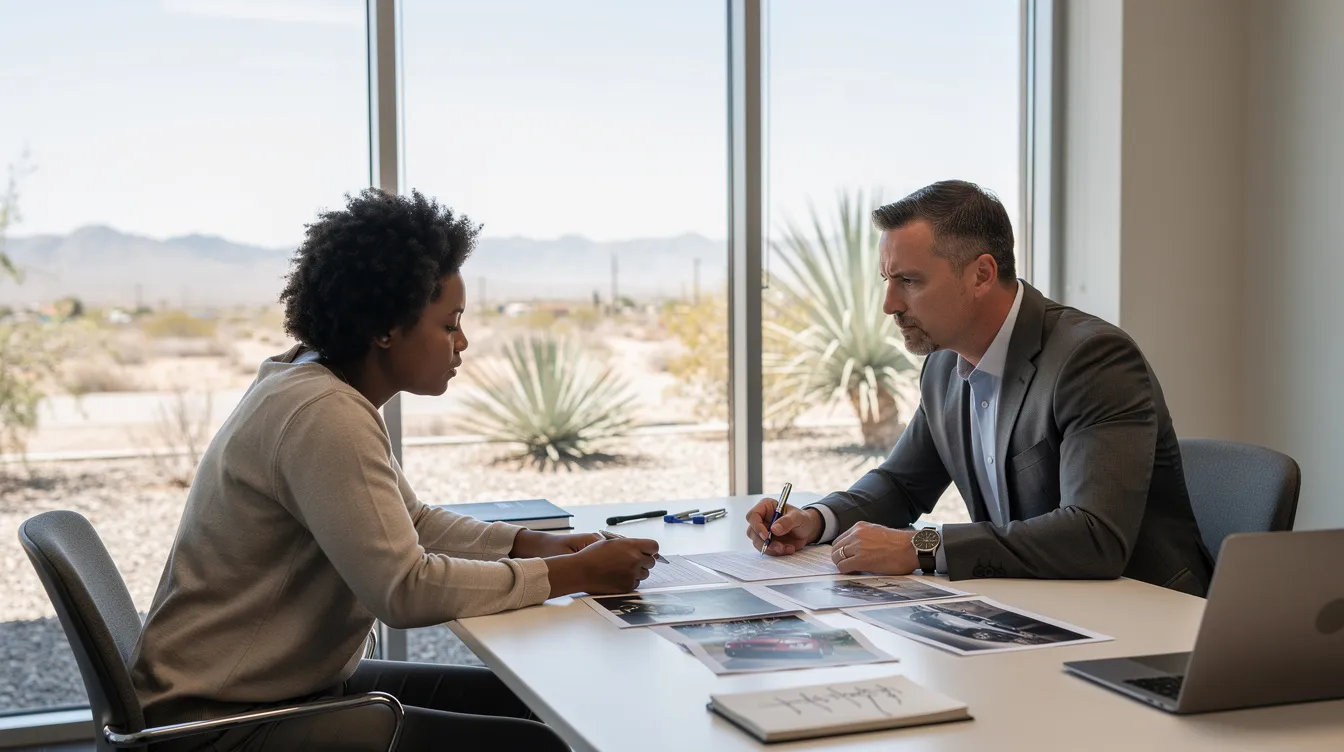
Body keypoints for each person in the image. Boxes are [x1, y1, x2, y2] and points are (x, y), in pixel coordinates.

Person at [130, 188, 659, 751]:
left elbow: (413, 524)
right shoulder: (323, 415)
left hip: (268, 692)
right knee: (535, 745)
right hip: (217, 724)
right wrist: (577, 576)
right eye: (448, 324)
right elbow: (403, 590)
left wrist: (537, 545)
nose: (463, 342)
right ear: (385, 327)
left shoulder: (311, 383)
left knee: (528, 700)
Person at [745, 180, 1212, 596]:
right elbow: (902, 484)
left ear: (982, 275)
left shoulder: (1093, 360)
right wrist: (815, 520)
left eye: (909, 281)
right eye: (888, 280)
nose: (889, 304)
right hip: (1035, 607)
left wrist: (922, 546)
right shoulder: (944, 363)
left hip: (1145, 619)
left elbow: (1093, 536)